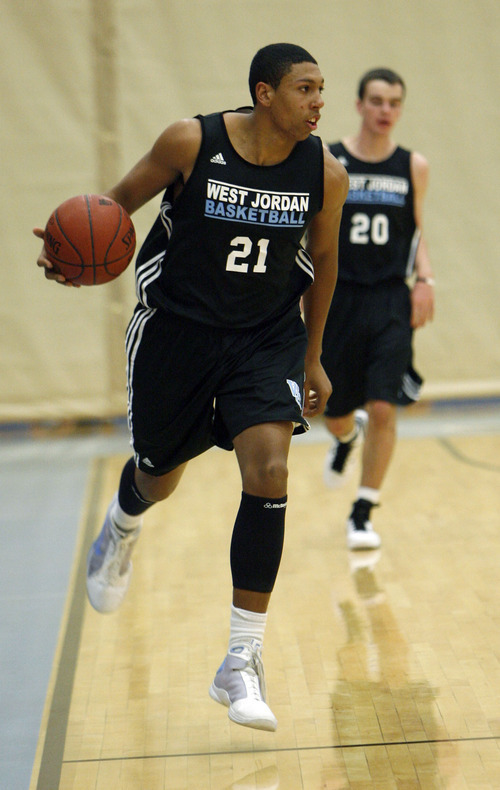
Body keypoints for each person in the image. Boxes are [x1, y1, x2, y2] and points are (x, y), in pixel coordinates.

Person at [34, 43, 348, 732]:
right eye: (305, 88)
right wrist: (67, 251)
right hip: (177, 332)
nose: (318, 101)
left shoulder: (324, 174)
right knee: (159, 474)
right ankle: (122, 524)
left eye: (322, 89)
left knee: (269, 470)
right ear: (264, 94)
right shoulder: (191, 142)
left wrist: (314, 356)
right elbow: (110, 211)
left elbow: (323, 263)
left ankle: (241, 658)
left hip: (266, 339)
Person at [321, 68, 434, 551]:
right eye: (377, 100)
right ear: (359, 105)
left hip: (391, 296)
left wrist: (425, 279)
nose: (386, 110)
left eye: (394, 102)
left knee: (385, 406)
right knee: (334, 409)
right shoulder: (330, 158)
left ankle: (363, 510)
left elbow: (416, 229)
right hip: (338, 297)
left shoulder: (414, 166)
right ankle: (346, 439)